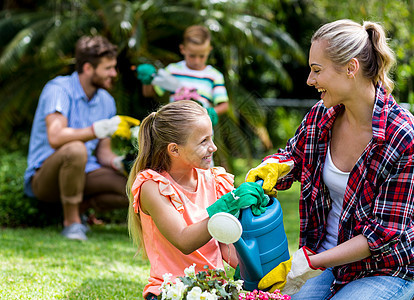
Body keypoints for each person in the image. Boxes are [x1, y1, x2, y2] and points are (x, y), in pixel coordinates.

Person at [247, 19, 414, 299]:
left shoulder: (402, 136)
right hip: (327, 264)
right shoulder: (321, 116)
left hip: (385, 268)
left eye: (317, 70)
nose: (310, 80)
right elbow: (292, 157)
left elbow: (383, 234)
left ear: (350, 68)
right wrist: (270, 169)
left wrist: (309, 262)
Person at [127, 100, 269, 299]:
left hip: (214, 290)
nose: (213, 148)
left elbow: (224, 244)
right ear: (174, 149)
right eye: (204, 141)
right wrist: (226, 208)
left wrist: (260, 274)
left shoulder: (213, 180)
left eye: (211, 138)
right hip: (170, 291)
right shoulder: (153, 186)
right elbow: (184, 240)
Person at [24, 35, 140, 241]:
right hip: (46, 178)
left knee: (136, 185)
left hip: (85, 174)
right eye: (108, 68)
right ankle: (71, 223)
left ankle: (81, 209)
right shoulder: (58, 90)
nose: (114, 74)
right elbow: (56, 136)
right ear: (88, 68)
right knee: (76, 149)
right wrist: (96, 129)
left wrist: (119, 162)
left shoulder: (106, 100)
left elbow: (103, 152)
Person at [137, 25, 229, 126]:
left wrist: (211, 113)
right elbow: (149, 93)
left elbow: (224, 105)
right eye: (192, 56)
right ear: (182, 49)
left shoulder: (214, 75)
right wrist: (147, 80)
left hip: (201, 129)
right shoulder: (173, 70)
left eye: (202, 56)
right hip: (175, 127)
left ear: (209, 50)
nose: (196, 61)